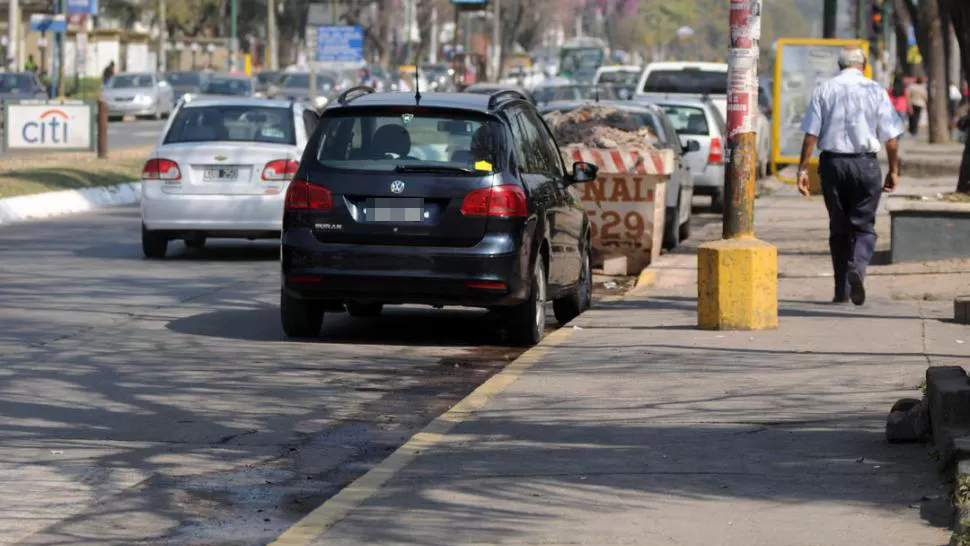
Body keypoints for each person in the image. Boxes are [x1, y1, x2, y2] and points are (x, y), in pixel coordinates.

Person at [796, 46, 904, 306]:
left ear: (840, 65)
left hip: (832, 165)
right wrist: (894, 169)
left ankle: (841, 291)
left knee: (839, 227)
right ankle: (857, 266)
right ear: (864, 65)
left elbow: (811, 134)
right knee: (864, 226)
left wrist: (802, 169)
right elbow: (890, 138)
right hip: (865, 165)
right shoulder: (875, 90)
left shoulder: (824, 90)